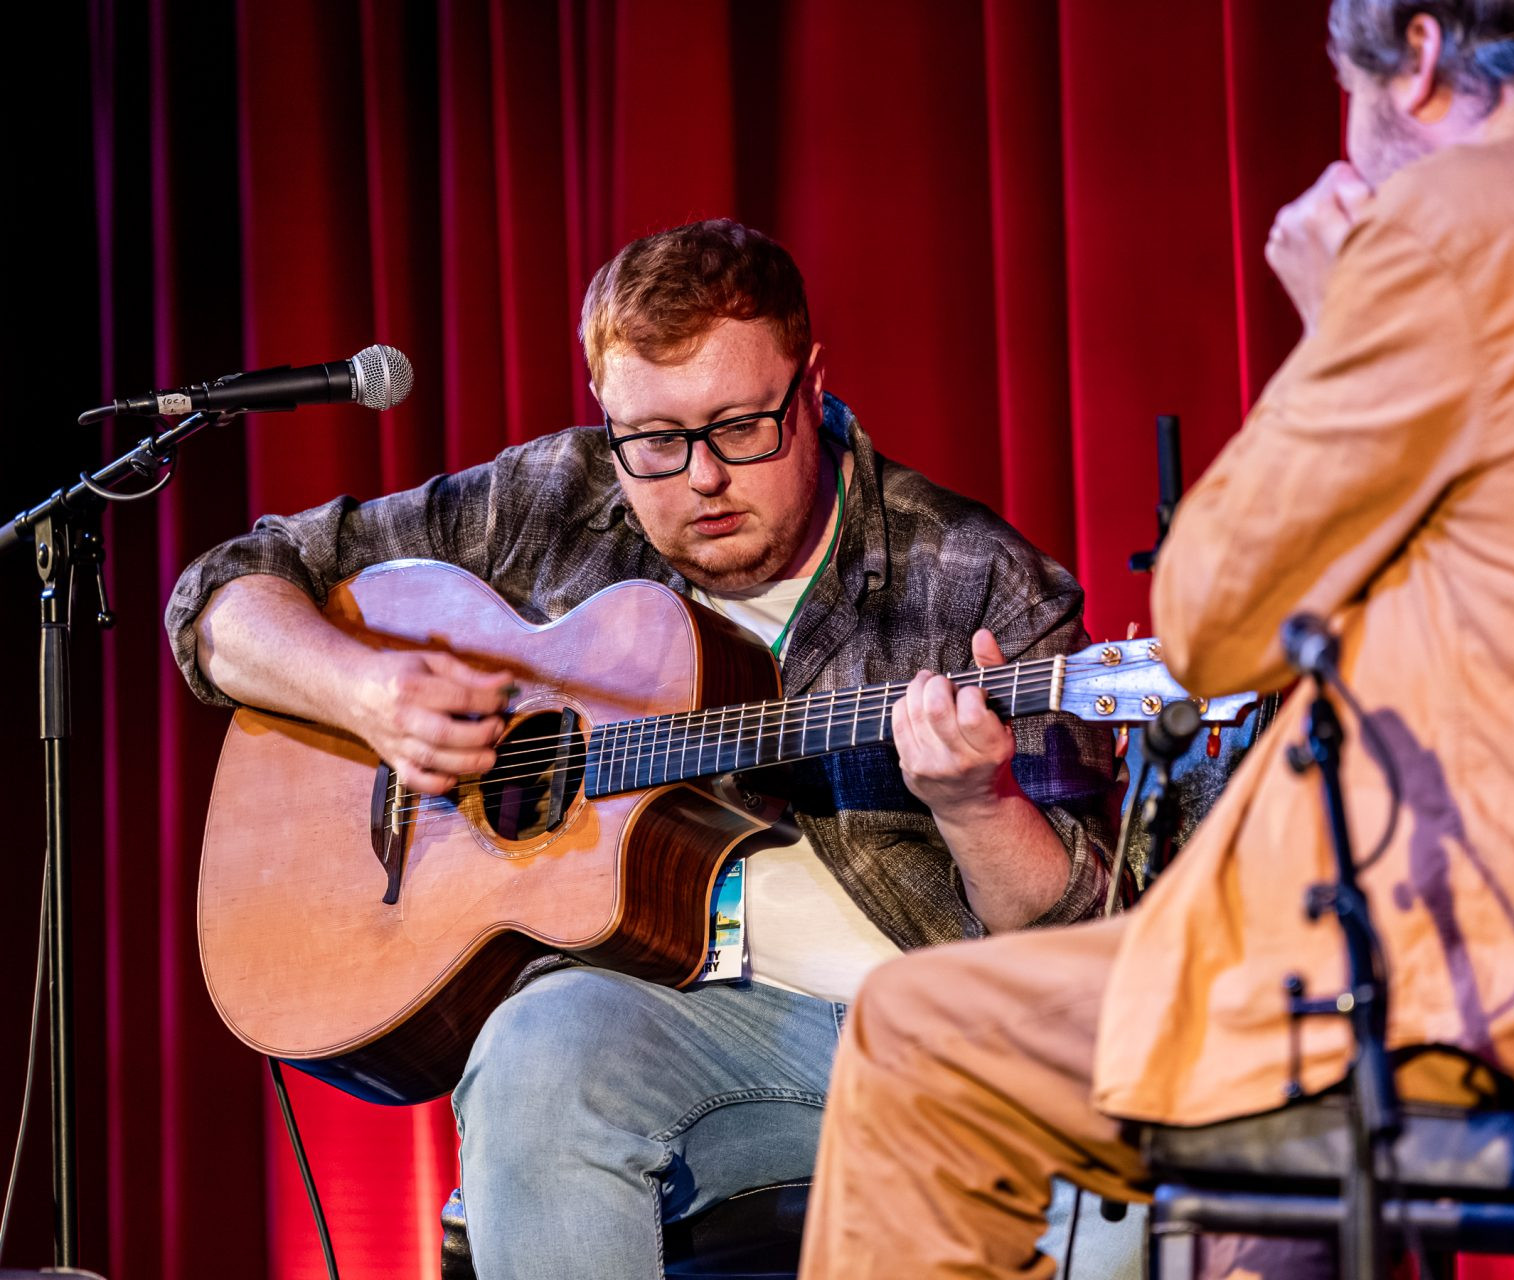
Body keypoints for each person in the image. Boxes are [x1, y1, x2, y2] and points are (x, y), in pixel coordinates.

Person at [797, 2, 1514, 1276]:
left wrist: (1344, 315)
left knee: (919, 1033)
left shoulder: (1458, 226)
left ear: (1421, 59)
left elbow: (1210, 626)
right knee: (1273, 1213)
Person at [164, 219, 1120, 1278]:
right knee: (538, 1049)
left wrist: (981, 804)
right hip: (647, 1028)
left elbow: (1082, 944)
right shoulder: (557, 499)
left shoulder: (976, 581)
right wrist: (367, 691)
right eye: (655, 441)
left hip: (914, 1045)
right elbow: (223, 592)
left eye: (741, 427)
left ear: (811, 387)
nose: (702, 477)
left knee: (1117, 1203)